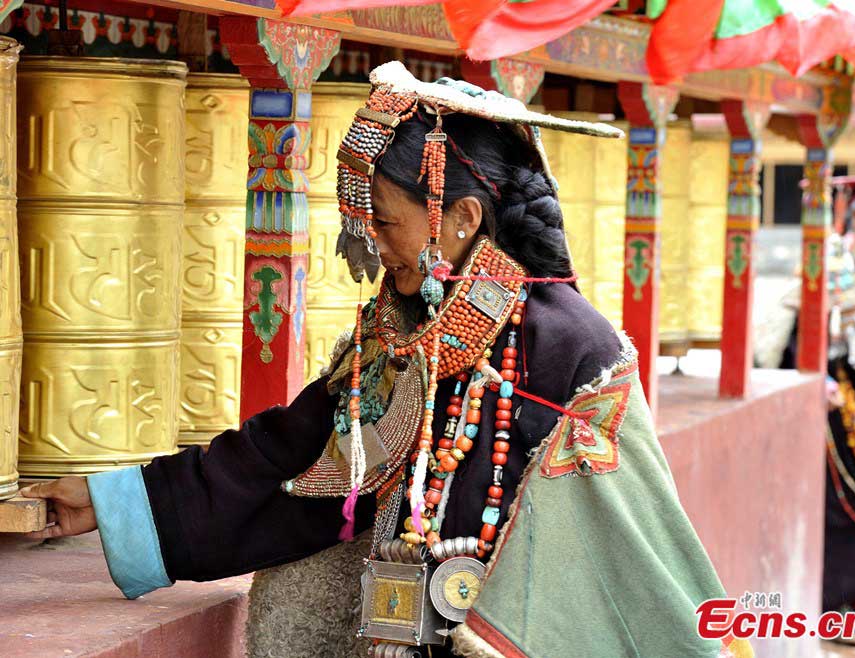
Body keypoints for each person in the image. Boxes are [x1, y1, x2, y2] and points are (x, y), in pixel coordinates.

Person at [21, 62, 747, 658]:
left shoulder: (575, 354)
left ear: (460, 220)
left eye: (385, 222)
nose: (371, 244)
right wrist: (116, 502)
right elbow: (289, 455)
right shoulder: (396, 336)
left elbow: (625, 560)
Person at [780, 183, 855, 640]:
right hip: (840, 414)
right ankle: (838, 604)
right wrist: (818, 379)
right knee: (841, 506)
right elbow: (798, 331)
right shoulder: (834, 268)